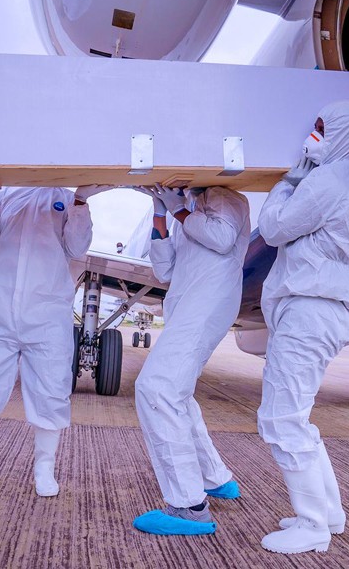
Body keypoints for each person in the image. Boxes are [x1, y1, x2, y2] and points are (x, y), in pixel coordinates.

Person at [255, 100, 349, 554]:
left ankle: (311, 526)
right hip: (327, 306)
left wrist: (286, 182)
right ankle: (329, 513)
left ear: (341, 133)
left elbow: (272, 227)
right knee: (298, 417)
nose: (313, 136)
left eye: (322, 128)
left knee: (281, 417)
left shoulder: (326, 180)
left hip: (310, 308)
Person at [0, 184, 110, 497]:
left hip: (48, 313)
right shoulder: (0, 196)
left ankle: (44, 469)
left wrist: (81, 200)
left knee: (51, 391)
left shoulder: (64, 198)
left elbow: (78, 248)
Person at [131, 183, 250, 536]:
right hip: (186, 307)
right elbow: (164, 271)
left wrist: (179, 211)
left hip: (207, 304)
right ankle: (216, 478)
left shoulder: (225, 196)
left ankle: (188, 506)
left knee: (156, 389)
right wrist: (160, 212)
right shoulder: (187, 206)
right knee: (177, 393)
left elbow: (222, 238)